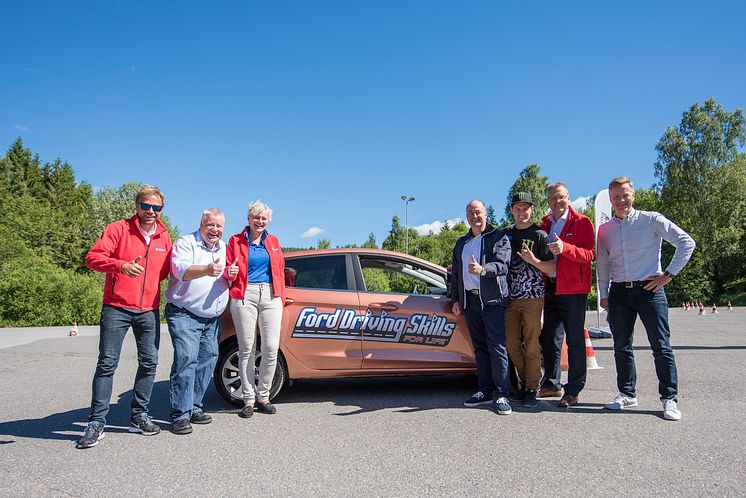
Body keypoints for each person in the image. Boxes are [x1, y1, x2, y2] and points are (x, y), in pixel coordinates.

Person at [77, 185, 172, 449]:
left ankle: (139, 415)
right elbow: (92, 258)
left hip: (148, 310)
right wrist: (120, 265)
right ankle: (96, 422)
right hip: (116, 307)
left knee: (150, 363)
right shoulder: (118, 228)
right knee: (107, 364)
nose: (151, 211)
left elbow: (164, 272)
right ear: (137, 206)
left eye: (156, 207)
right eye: (146, 206)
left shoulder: (164, 236)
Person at [597, 177, 695, 421]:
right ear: (610, 199)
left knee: (661, 347)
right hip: (619, 292)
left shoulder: (652, 219)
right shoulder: (605, 230)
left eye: (625, 195)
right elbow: (603, 264)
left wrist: (668, 275)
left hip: (650, 290)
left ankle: (669, 399)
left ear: (633, 196)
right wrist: (605, 294)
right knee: (621, 346)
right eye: (616, 196)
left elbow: (686, 242)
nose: (620, 200)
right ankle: (627, 394)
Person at [165, 208, 230, 435]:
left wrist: (230, 274)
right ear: (202, 225)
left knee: (208, 361)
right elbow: (180, 269)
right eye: (210, 225)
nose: (214, 230)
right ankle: (180, 415)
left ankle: (194, 406)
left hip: (212, 317)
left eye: (219, 226)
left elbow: (228, 275)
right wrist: (206, 269)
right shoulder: (186, 243)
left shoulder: (224, 248)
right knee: (186, 360)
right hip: (184, 313)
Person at [450, 200, 513, 415]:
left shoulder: (498, 236)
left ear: (486, 214)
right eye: (470, 212)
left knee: (497, 348)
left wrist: (482, 269)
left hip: (492, 301)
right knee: (480, 349)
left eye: (477, 212)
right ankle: (484, 391)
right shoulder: (461, 243)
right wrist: (456, 299)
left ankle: (502, 393)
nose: (474, 216)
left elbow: (503, 265)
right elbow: (455, 275)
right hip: (470, 302)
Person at [225, 200, 286, 418]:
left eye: (263, 218)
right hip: (245, 293)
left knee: (271, 347)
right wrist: (228, 273)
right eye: (256, 217)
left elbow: (279, 270)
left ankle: (264, 396)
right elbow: (226, 268)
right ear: (248, 219)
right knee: (247, 348)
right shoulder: (235, 240)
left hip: (270, 294)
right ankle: (248, 399)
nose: (259, 221)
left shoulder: (274, 241)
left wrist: (281, 296)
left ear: (267, 220)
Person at [539, 182, 595, 407]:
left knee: (574, 341)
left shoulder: (581, 222)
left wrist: (566, 249)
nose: (557, 201)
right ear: (548, 201)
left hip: (573, 290)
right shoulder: (545, 223)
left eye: (560, 197)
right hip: (550, 287)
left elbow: (590, 254)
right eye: (553, 198)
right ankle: (552, 383)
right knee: (549, 338)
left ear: (569, 198)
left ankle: (573, 390)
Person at [504, 192, 555, 407]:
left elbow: (552, 268)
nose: (522, 211)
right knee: (511, 345)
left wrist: (533, 260)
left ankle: (531, 388)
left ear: (532, 209)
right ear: (512, 210)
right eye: (517, 208)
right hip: (508, 299)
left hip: (533, 297)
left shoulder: (540, 235)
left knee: (532, 345)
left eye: (526, 208)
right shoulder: (505, 235)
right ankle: (526, 381)